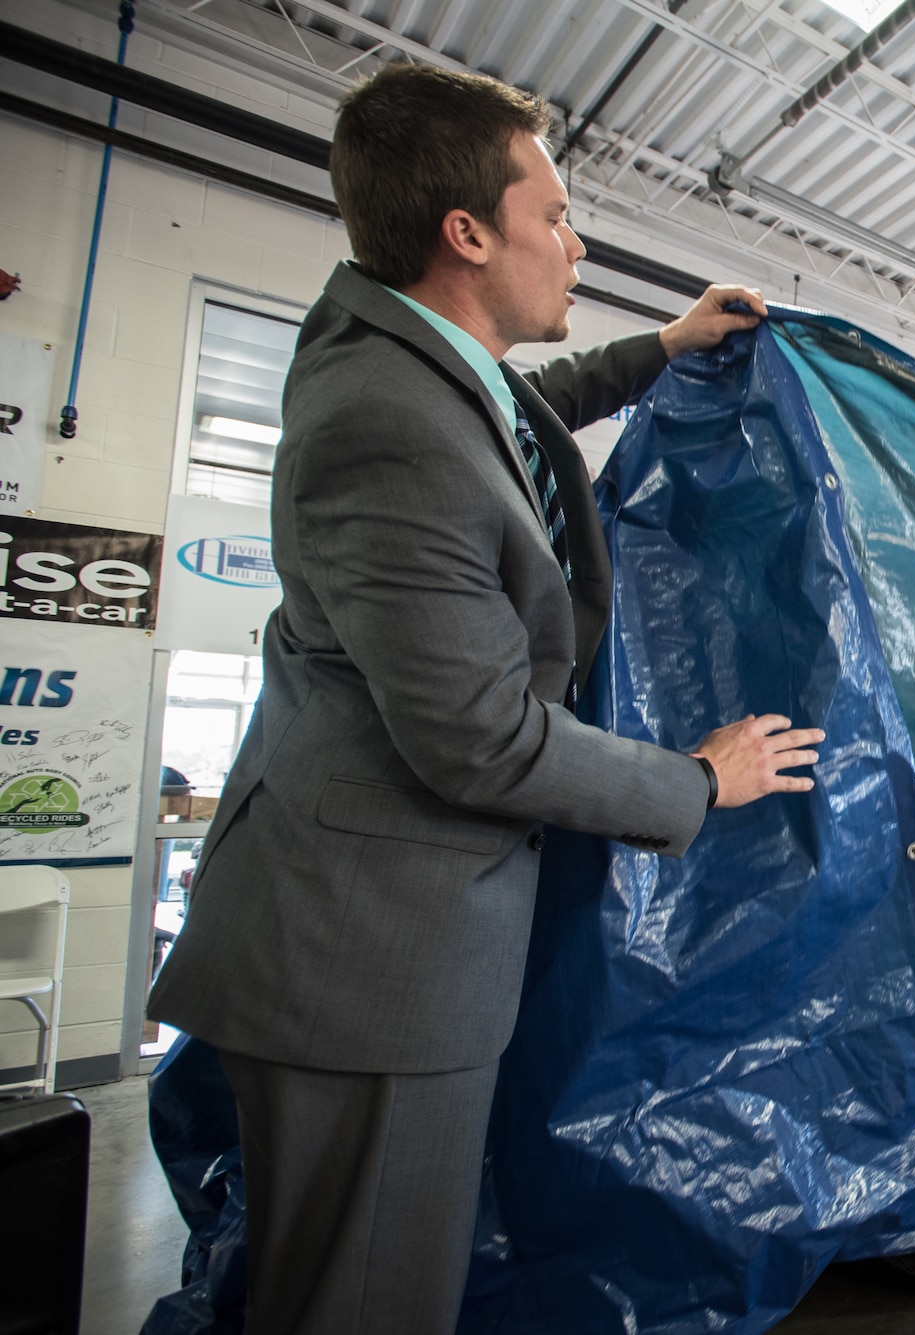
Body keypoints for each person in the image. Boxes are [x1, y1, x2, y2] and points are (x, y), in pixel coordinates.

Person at [147, 64, 822, 1334]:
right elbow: (479, 741)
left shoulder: (420, 374)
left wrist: (661, 351)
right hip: (367, 968)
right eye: (555, 217)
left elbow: (526, 427)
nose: (574, 243)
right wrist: (696, 779)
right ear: (467, 233)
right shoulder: (382, 421)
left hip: (368, 944)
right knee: (366, 1303)